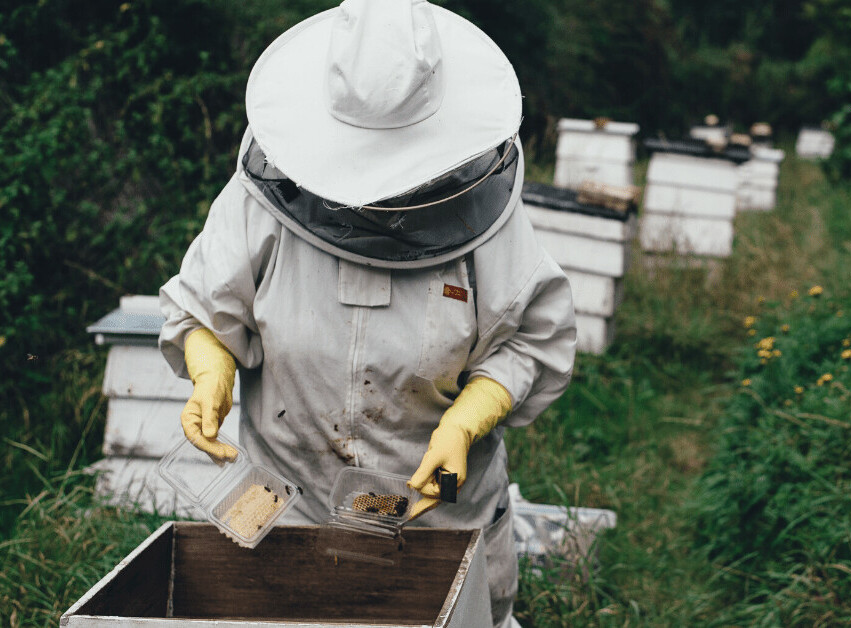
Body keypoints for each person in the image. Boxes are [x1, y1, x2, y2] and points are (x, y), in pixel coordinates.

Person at [157, 0, 577, 625]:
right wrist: (210, 369)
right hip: (284, 513)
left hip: (435, 522)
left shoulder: (487, 216)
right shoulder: (261, 200)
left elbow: (531, 341)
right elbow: (204, 307)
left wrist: (464, 422)